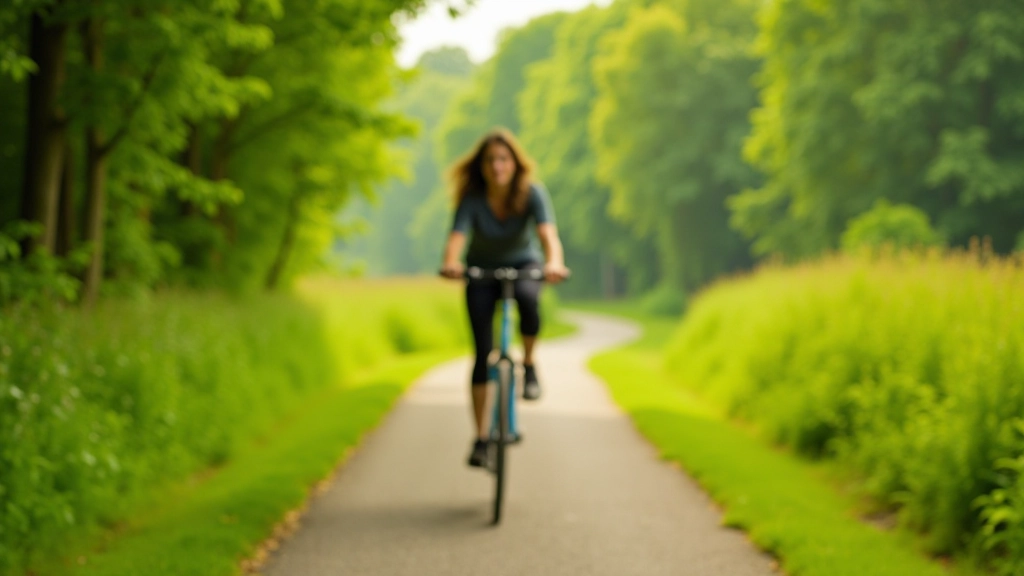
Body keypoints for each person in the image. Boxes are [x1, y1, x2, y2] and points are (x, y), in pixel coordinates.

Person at [439, 128, 569, 468]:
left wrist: (554, 262)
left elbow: (547, 235)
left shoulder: (532, 194)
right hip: (480, 271)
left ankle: (528, 365)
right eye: (490, 160)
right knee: (482, 355)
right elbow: (457, 236)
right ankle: (481, 439)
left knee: (529, 299)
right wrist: (451, 264)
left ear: (514, 163)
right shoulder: (472, 199)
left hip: (523, 263)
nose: (497, 166)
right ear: (481, 167)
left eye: (503, 159)